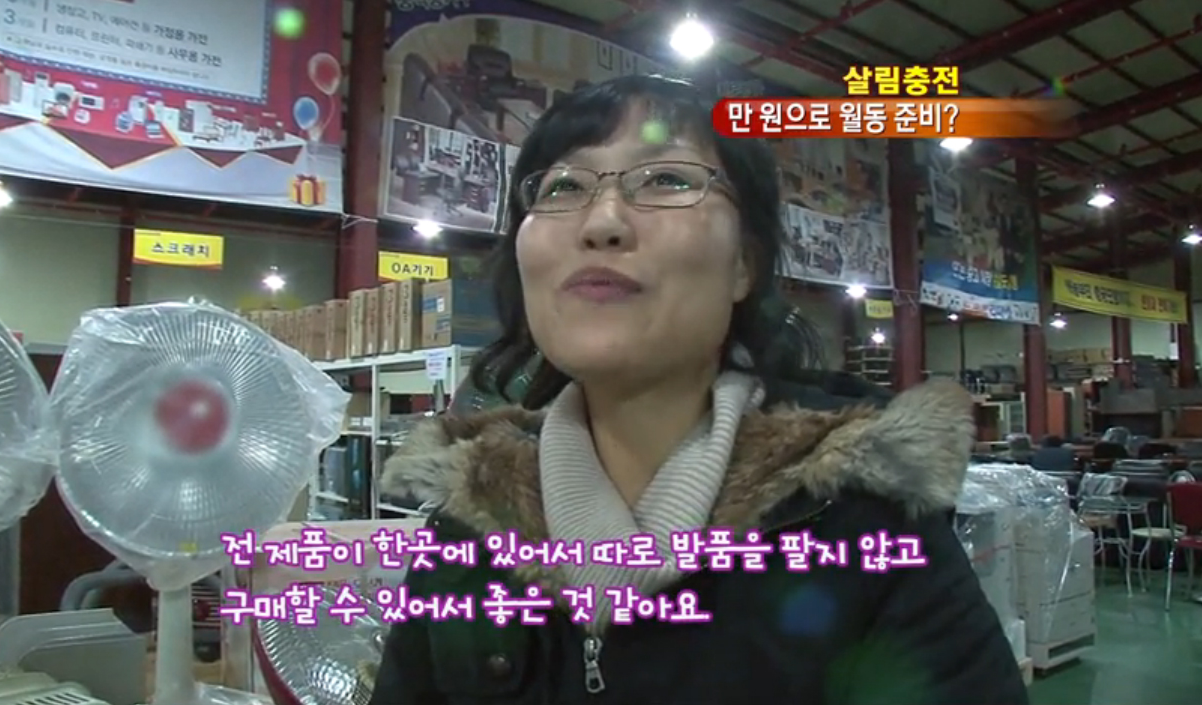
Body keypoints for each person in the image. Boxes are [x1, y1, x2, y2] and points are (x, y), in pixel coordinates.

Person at [369, 75, 1026, 705]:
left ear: (744, 264)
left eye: (666, 179)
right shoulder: (467, 526)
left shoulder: (859, 520)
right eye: (563, 186)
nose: (601, 222)